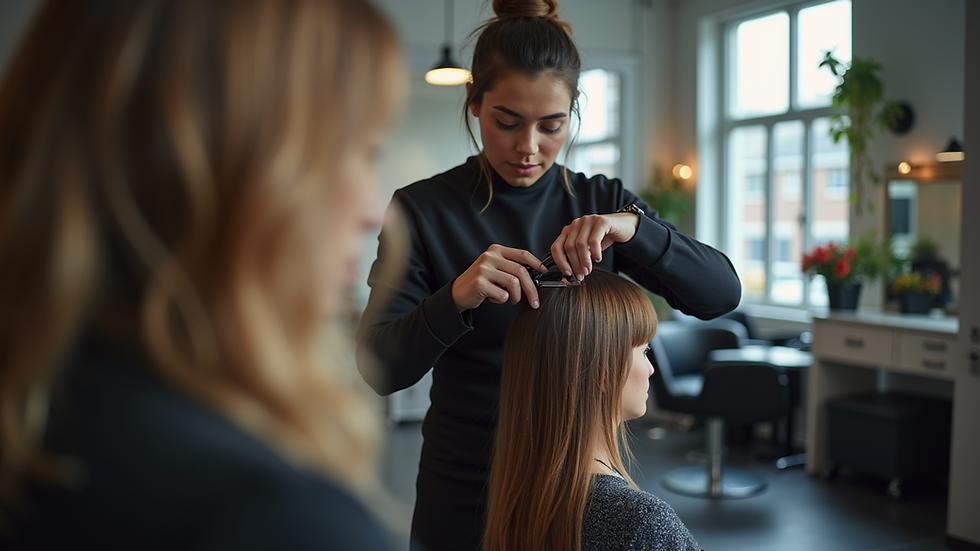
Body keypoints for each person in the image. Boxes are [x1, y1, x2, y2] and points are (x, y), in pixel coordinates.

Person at [0, 0, 404, 549]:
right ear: (218, 174)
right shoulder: (273, 515)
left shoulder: (45, 412)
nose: (371, 208)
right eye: (352, 151)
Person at [355, 0, 741, 549]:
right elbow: (378, 368)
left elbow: (721, 295)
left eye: (551, 125)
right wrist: (455, 298)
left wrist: (639, 231)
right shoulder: (421, 211)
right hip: (468, 490)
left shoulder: (601, 200)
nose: (528, 147)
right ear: (474, 104)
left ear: (573, 112)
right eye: (506, 122)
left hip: (576, 493)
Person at [485, 269, 701, 551]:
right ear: (604, 371)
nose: (650, 369)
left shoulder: (522, 497)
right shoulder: (641, 521)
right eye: (644, 351)